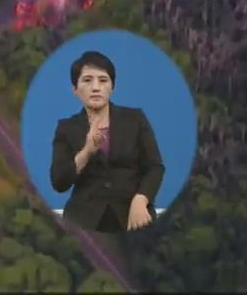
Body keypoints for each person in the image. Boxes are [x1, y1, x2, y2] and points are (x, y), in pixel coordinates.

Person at [50, 50, 165, 233]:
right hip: (84, 220)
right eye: (87, 80)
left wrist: (141, 199)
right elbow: (59, 182)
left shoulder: (135, 119)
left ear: (112, 87)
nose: (96, 87)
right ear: (75, 89)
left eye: (103, 80)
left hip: (132, 214)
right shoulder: (66, 128)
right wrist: (87, 151)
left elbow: (155, 167)